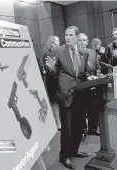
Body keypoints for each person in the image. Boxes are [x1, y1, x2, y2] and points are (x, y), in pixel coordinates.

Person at [45, 26, 89, 169]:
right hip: (65, 95)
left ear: (77, 37)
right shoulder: (58, 51)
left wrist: (91, 78)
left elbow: (82, 74)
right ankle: (64, 156)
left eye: (71, 35)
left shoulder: (83, 52)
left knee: (78, 127)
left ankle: (74, 151)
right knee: (67, 129)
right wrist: (51, 69)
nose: (68, 38)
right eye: (66, 35)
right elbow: (53, 74)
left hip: (80, 95)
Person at [77, 33, 101, 140]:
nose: (82, 42)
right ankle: (82, 130)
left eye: (84, 40)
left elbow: (97, 66)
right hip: (80, 85)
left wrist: (98, 75)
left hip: (92, 84)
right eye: (80, 40)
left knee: (93, 107)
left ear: (87, 41)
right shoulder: (74, 53)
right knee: (81, 109)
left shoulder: (92, 52)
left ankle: (93, 128)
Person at [41, 35, 61, 130]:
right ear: (52, 43)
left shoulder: (60, 52)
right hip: (52, 81)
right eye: (57, 41)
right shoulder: (47, 54)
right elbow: (49, 69)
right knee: (55, 102)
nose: (59, 43)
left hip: (60, 80)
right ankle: (58, 122)